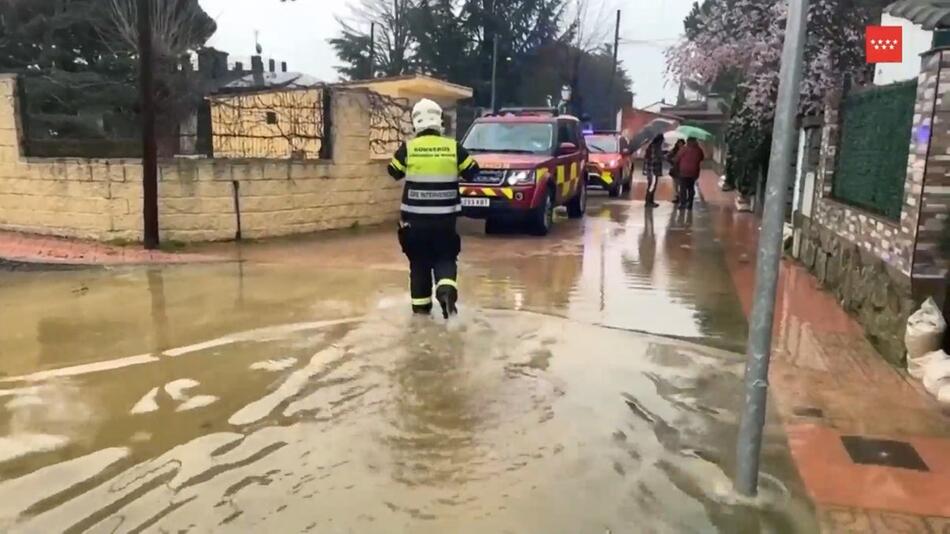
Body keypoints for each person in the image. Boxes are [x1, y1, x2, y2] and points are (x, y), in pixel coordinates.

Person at [387, 99, 480, 318]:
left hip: (414, 224)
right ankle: (446, 291)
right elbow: (473, 171)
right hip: (445, 223)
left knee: (418, 264)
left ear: (415, 122)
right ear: (439, 120)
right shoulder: (453, 148)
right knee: (445, 258)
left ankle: (420, 313)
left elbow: (393, 172)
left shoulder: (408, 148)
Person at [673, 137, 705, 210]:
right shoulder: (698, 150)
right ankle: (690, 204)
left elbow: (676, 159)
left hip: (683, 171)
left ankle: (682, 204)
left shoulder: (683, 149)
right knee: (691, 187)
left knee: (683, 188)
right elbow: (702, 158)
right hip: (694, 172)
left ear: (688, 142)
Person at [642, 134, 664, 208]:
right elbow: (654, 159)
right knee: (652, 186)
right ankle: (648, 202)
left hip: (652, 170)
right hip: (653, 171)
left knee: (652, 186)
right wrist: (661, 157)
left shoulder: (652, 147)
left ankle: (650, 201)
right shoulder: (654, 148)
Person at [667, 139, 685, 204]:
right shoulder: (674, 150)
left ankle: (682, 197)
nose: (680, 144)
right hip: (675, 170)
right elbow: (668, 157)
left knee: (682, 185)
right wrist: (672, 161)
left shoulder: (685, 150)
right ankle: (677, 197)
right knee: (675, 185)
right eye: (679, 143)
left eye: (681, 143)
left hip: (683, 170)